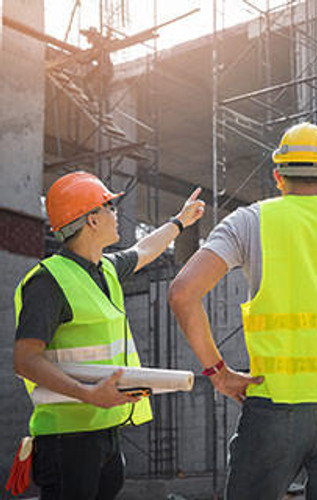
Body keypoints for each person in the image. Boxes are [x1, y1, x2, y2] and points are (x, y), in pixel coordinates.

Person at [168, 122, 317, 500]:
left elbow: (182, 293)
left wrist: (218, 372)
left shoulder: (251, 221)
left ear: (278, 176)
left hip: (277, 402)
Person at [13, 171, 204, 499]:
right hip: (67, 438)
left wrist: (179, 222)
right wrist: (86, 394)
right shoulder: (47, 283)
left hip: (104, 431)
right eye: (109, 208)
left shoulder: (106, 270)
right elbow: (24, 359)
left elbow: (144, 249)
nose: (116, 215)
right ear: (91, 221)